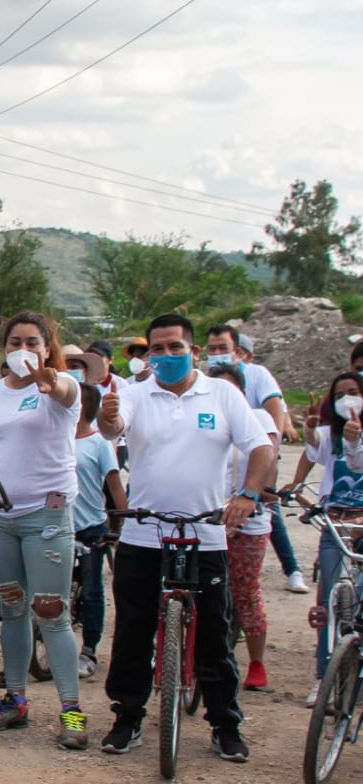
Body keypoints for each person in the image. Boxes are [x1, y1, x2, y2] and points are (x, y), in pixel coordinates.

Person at [97, 313, 273, 761]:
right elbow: (113, 427)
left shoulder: (223, 394)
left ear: (193, 352)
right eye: (158, 348)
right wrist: (108, 415)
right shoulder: (134, 393)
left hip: (207, 533)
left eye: (176, 347)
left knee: (214, 632)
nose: (167, 356)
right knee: (133, 630)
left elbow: (262, 446)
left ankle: (224, 723)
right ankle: (128, 717)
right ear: (148, 354)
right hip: (144, 530)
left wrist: (248, 495)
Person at [0, 312, 87, 749]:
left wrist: (52, 383)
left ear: (47, 348)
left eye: (33, 342)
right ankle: (15, 700)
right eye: (15, 341)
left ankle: (72, 712)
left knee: (51, 611)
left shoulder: (63, 388)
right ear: (3, 348)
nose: (23, 349)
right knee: (11, 608)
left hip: (46, 516)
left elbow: (63, 392)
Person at [204, 324, 307, 593]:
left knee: (264, 511)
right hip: (222, 455)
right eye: (211, 349)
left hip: (254, 451)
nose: (216, 353)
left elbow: (274, 406)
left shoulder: (257, 374)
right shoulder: (208, 379)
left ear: (237, 351)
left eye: (222, 348)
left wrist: (269, 449)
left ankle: (292, 568)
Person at [286, 371, 363, 706]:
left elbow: (356, 461)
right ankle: (323, 676)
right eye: (341, 393)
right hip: (334, 524)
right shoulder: (328, 434)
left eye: (354, 392)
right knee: (328, 601)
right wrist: (310, 431)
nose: (348, 398)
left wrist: (354, 441)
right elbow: (314, 448)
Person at [206, 363, 278, 693]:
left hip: (248, 520)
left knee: (246, 592)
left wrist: (250, 496)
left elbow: (269, 462)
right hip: (207, 518)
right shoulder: (202, 418)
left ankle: (257, 662)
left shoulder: (258, 419)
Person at [71, 384, 125, 680]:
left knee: (92, 590)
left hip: (91, 527)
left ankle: (88, 648)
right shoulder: (54, 440)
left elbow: (114, 485)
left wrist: (125, 522)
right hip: (59, 526)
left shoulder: (98, 444)